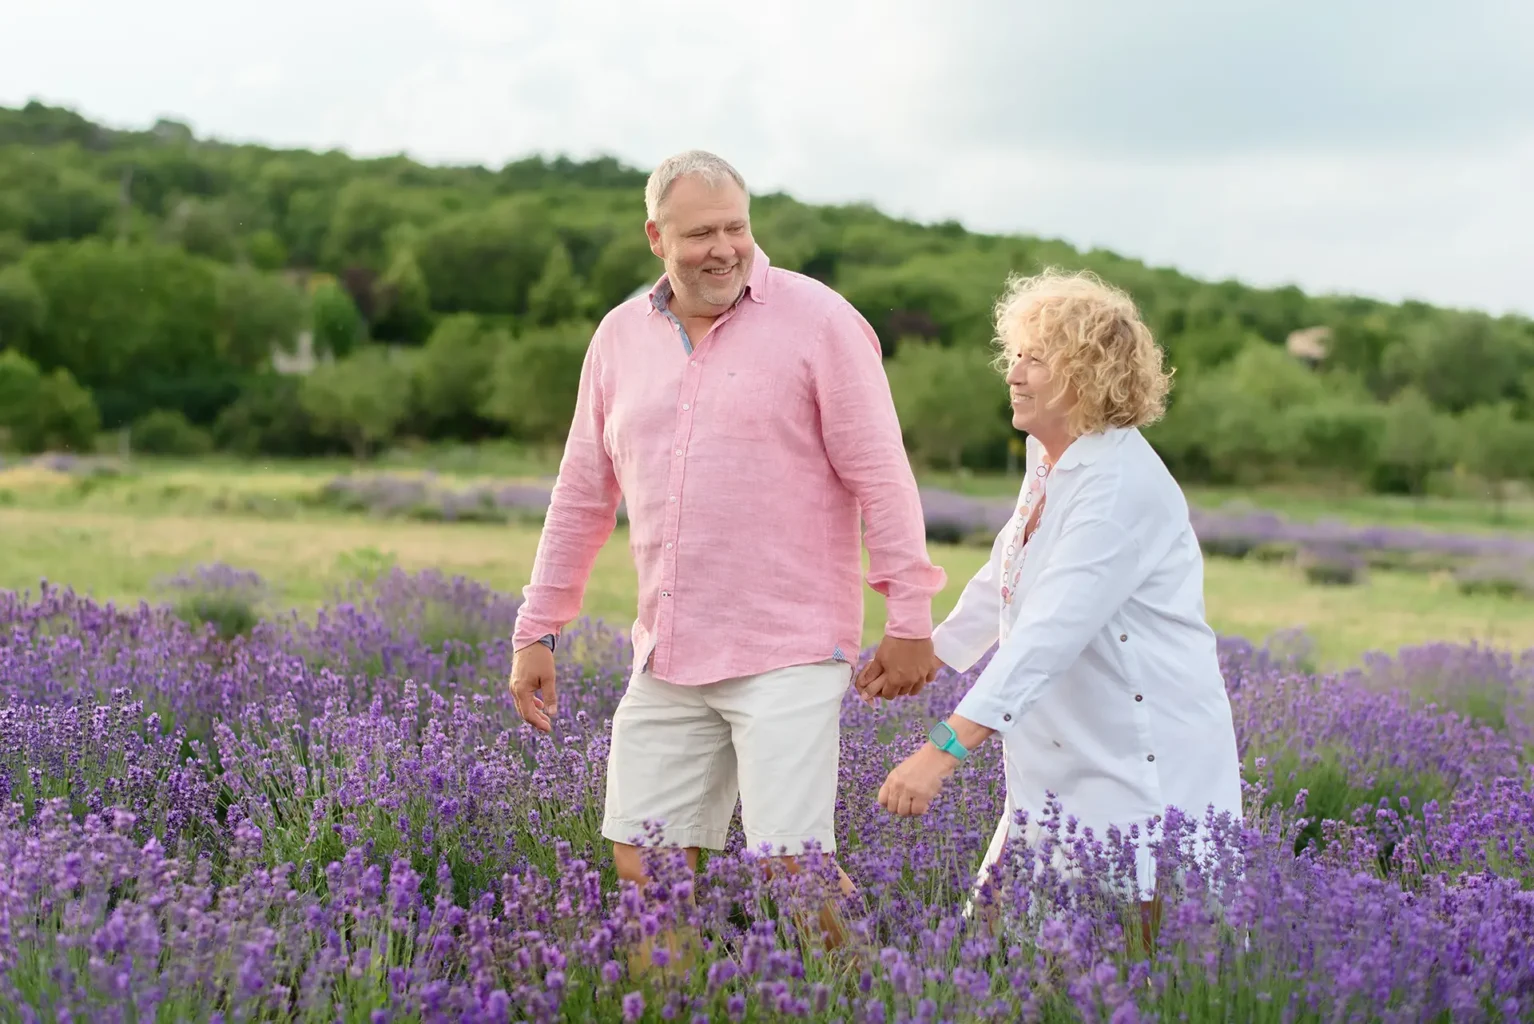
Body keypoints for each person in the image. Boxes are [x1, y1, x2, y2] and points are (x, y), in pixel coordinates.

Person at [508, 149, 947, 955]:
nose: (723, 248)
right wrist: (538, 630)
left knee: (793, 867)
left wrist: (909, 615)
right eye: (700, 232)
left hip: (787, 648)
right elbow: (580, 492)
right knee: (646, 870)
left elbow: (883, 477)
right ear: (655, 237)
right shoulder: (617, 339)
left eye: (736, 227)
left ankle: (879, 997)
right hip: (667, 654)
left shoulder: (820, 322)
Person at [867, 267, 1244, 945]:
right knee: (1007, 945)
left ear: (1087, 375)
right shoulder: (1051, 461)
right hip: (1062, 751)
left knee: (1145, 955)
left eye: (1034, 360)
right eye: (1014, 355)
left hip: (1139, 759)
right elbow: (1006, 575)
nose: (1013, 373)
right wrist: (928, 653)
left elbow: (1050, 631)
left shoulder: (1119, 485)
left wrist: (941, 751)